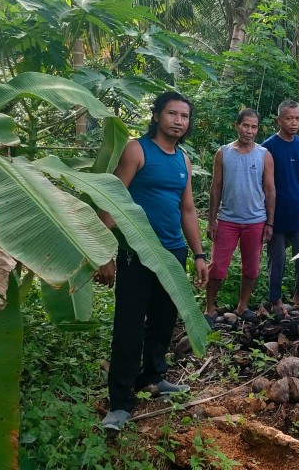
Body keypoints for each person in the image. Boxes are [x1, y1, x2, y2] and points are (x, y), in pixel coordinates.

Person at [96, 92, 209, 431]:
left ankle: (153, 377)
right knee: (129, 325)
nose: (179, 121)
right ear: (157, 115)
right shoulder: (137, 150)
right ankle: (120, 402)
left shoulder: (183, 160)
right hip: (137, 253)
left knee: (163, 320)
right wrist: (102, 253)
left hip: (173, 253)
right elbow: (112, 200)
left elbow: (187, 209)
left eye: (184, 116)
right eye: (172, 113)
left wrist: (199, 254)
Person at [205, 109, 275, 323]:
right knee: (217, 267)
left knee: (252, 268)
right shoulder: (224, 153)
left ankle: (242, 306)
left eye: (254, 127)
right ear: (237, 126)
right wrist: (211, 220)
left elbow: (270, 190)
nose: (249, 131)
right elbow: (216, 187)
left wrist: (270, 223)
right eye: (245, 125)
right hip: (227, 220)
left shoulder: (264, 154)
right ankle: (209, 309)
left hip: (255, 221)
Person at [262, 100, 299, 317]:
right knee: (277, 259)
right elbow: (263, 183)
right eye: (289, 118)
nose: (294, 123)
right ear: (279, 120)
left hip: (297, 211)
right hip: (276, 213)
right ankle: (275, 300)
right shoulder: (268, 146)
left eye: (297, 118)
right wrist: (267, 217)